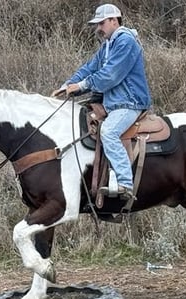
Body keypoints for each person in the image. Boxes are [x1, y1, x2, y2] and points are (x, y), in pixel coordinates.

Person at [52, 3, 152, 200]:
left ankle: (125, 183)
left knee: (109, 132)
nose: (98, 28)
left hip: (129, 102)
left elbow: (110, 75)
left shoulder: (125, 41)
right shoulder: (108, 46)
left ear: (114, 20)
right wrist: (68, 85)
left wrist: (80, 86)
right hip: (112, 103)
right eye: (97, 24)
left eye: (102, 23)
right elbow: (89, 67)